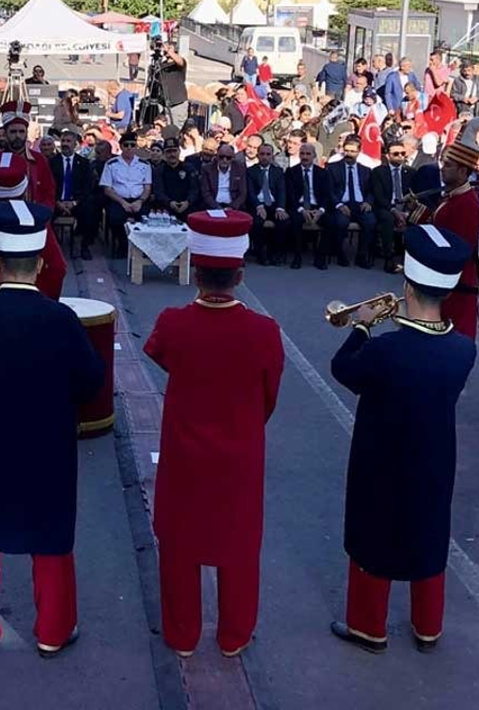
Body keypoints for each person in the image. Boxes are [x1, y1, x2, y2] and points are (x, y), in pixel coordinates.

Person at [0, 200, 105, 658]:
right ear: (41, 262)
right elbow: (91, 383)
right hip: (49, 445)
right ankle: (53, 629)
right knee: (50, 532)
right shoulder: (62, 320)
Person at [330, 224, 477, 654]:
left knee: (372, 534)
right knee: (428, 530)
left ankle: (368, 627)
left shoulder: (385, 349)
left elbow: (344, 368)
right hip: (435, 457)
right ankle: (428, 626)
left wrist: (360, 326)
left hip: (381, 457)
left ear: (408, 284)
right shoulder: (463, 349)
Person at [144, 210, 283, 658]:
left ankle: (182, 634)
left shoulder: (173, 322)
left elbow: (162, 356)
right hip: (240, 452)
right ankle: (234, 634)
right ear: (239, 274)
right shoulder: (264, 331)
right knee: (239, 545)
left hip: (185, 451)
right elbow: (268, 395)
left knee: (179, 543)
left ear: (195, 272)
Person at [0, 152, 67, 301]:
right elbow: (58, 268)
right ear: (24, 185)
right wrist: (48, 300)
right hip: (34, 305)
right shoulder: (39, 224)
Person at [433, 140, 479, 339]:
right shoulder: (454, 197)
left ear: (463, 172)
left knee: (452, 331)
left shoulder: (467, 203)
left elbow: (459, 247)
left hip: (454, 279)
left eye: (448, 165)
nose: (442, 169)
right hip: (445, 275)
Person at [100, 131, 153, 259]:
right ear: (121, 146)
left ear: (136, 147)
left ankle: (141, 248)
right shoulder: (111, 164)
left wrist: (140, 201)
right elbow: (107, 188)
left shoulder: (144, 164)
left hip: (138, 200)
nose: (129, 148)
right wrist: (123, 202)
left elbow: (147, 187)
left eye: (132, 145)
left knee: (145, 218)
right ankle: (123, 245)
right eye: (126, 145)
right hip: (118, 199)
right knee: (115, 218)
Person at [49, 126, 98, 260]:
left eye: (68, 141)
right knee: (44, 211)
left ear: (75, 144)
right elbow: (48, 186)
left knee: (90, 210)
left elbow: (87, 188)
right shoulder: (52, 162)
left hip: (76, 201)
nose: (65, 144)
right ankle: (52, 246)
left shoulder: (84, 163)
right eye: (63, 141)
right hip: (57, 201)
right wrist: (57, 202)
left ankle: (84, 246)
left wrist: (74, 202)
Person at [329, 136, 377, 268]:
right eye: (346, 151)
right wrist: (339, 205)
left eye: (352, 151)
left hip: (360, 204)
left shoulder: (365, 170)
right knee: (340, 222)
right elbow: (330, 190)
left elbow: (371, 191)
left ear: (359, 152)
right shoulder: (333, 168)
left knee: (370, 221)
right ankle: (340, 254)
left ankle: (361, 256)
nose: (348, 154)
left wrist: (368, 202)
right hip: (342, 204)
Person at [285, 142, 335, 269]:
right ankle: (297, 256)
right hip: (299, 206)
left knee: (330, 221)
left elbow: (326, 194)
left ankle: (321, 257)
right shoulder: (291, 172)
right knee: (296, 221)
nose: (305, 157)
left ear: (314, 156)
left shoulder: (323, 173)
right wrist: (302, 210)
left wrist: (321, 210)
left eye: (308, 154)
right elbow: (290, 195)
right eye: (302, 154)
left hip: (317, 206)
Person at [370, 139, 414, 273]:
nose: (400, 156)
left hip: (405, 207)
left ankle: (411, 259)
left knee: (417, 218)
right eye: (396, 154)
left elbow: (414, 194)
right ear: (388, 155)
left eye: (402, 153)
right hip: (386, 206)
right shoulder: (378, 172)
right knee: (387, 219)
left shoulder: (411, 172)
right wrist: (395, 211)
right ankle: (389, 258)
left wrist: (406, 212)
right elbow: (379, 196)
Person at [246, 142, 288, 265]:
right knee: (257, 221)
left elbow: (281, 191)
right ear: (258, 155)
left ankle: (275, 252)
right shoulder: (250, 171)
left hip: (273, 204)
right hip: (258, 204)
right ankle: (261, 253)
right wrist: (258, 206)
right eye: (262, 154)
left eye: (268, 154)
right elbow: (250, 192)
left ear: (272, 156)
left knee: (283, 221)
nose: (265, 157)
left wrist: (280, 208)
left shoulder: (278, 171)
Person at [199, 142, 247, 211]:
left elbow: (242, 193)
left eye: (228, 158)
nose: (224, 160)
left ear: (233, 158)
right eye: (221, 157)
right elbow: (206, 193)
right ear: (216, 156)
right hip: (213, 205)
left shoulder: (240, 168)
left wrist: (232, 207)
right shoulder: (207, 169)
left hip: (233, 206)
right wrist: (217, 207)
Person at [159, 42, 189, 129]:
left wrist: (168, 51)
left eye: (169, 48)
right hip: (163, 103)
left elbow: (180, 62)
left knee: (176, 130)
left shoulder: (178, 64)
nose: (166, 50)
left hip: (177, 104)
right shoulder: (161, 65)